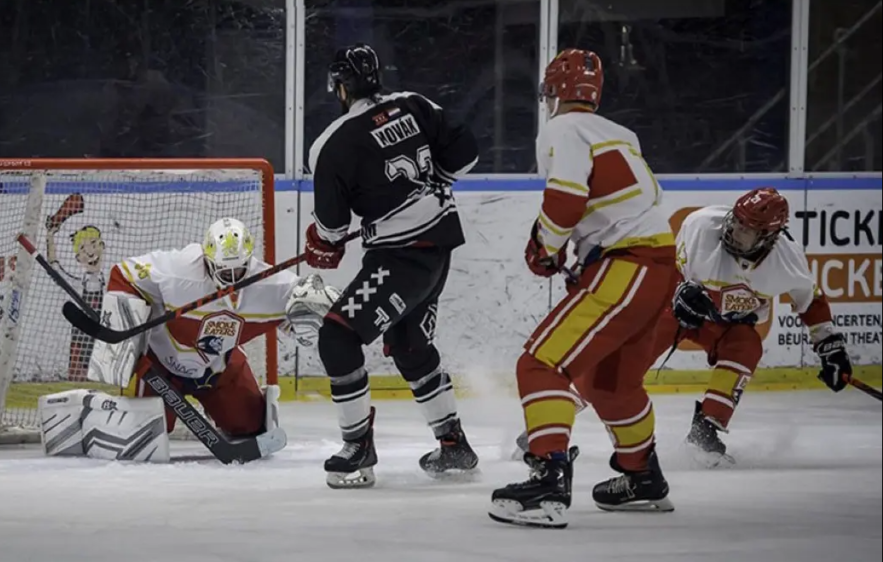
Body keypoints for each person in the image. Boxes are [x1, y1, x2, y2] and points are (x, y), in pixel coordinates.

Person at [488, 48, 678, 529]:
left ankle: (548, 479)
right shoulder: (621, 133)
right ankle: (641, 476)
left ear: (552, 92)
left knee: (540, 363)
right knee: (611, 386)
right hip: (655, 267)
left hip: (627, 265)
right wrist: (580, 254)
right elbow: (631, 201)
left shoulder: (561, 129)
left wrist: (545, 247)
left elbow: (567, 199)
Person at [301, 43, 481, 489]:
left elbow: (331, 227)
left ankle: (358, 448)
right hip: (439, 245)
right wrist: (428, 189)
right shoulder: (415, 104)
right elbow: (467, 154)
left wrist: (322, 245)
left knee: (337, 337)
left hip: (403, 256)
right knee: (409, 346)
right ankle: (453, 444)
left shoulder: (332, 142)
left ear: (340, 87)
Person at [87, 217, 339, 446]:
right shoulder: (177, 271)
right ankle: (97, 409)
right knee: (140, 437)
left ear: (249, 261)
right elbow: (123, 274)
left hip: (218, 368)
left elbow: (303, 303)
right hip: (159, 368)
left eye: (239, 270)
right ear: (208, 260)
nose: (231, 280)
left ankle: (220, 403)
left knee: (249, 425)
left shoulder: (270, 284)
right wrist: (122, 332)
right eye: (223, 271)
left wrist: (312, 315)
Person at [650, 187, 852, 466]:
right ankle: (576, 401)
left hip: (726, 325)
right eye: (736, 220)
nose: (734, 230)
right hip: (674, 311)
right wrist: (677, 292)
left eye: (747, 229)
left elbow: (811, 302)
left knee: (746, 346)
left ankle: (705, 430)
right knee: (629, 353)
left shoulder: (787, 263)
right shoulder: (701, 224)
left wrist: (831, 350)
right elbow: (666, 269)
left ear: (769, 237)